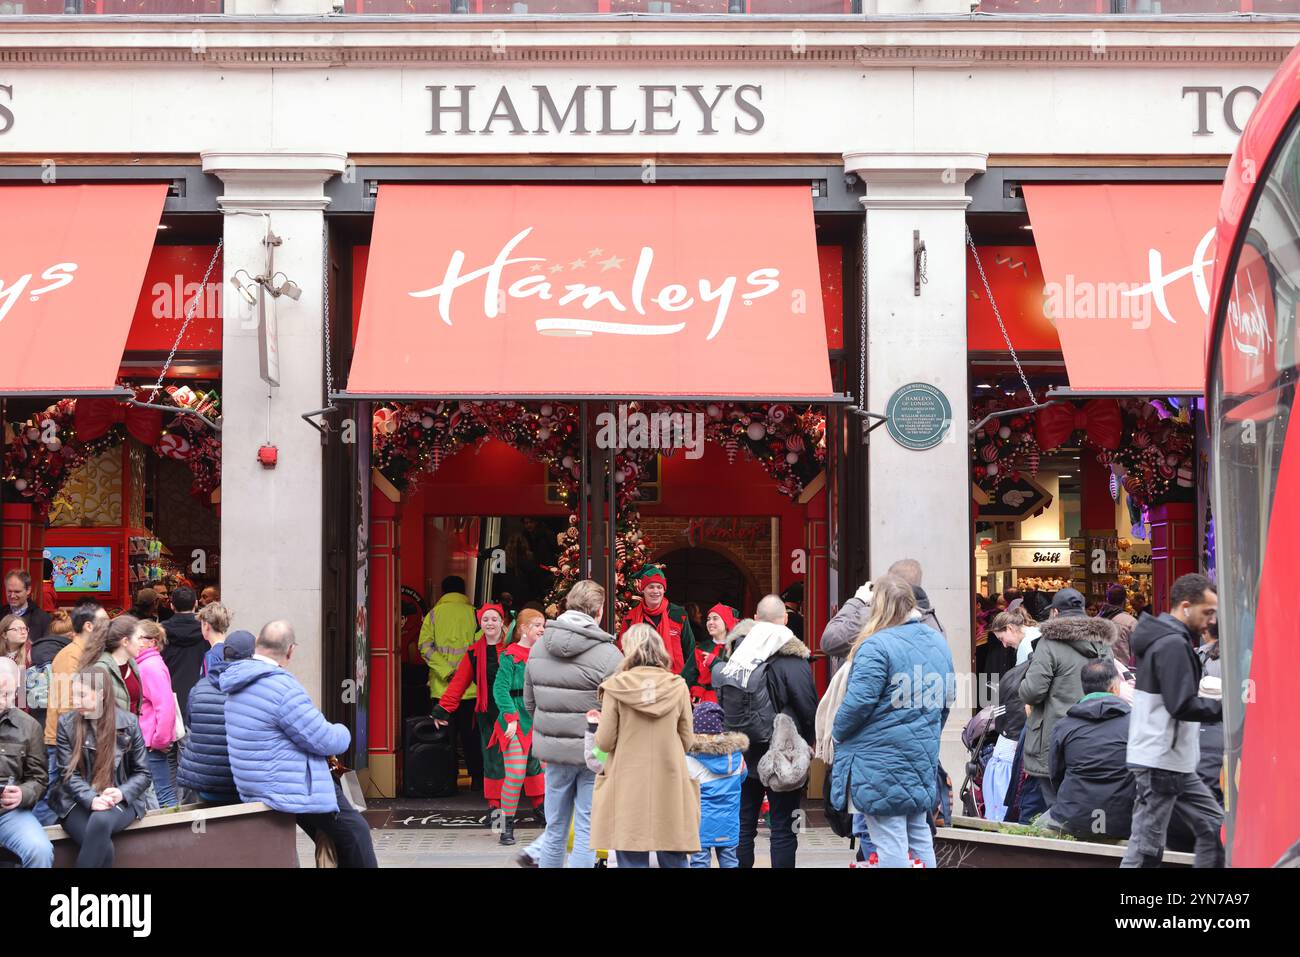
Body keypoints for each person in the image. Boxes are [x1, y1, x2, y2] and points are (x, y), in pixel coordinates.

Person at [221, 620, 377, 868]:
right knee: (356, 833)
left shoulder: (237, 683)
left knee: (334, 836)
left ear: (257, 645)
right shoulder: (280, 687)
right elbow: (323, 739)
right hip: (289, 786)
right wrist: (343, 731)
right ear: (291, 650)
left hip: (256, 782)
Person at [830, 576, 955, 868]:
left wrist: (837, 731)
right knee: (919, 832)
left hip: (878, 759)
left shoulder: (876, 645)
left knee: (889, 840)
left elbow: (858, 703)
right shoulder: (937, 641)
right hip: (920, 754)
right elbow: (947, 700)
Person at [1122, 573, 1224, 868]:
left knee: (1213, 828)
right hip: (1161, 760)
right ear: (1186, 606)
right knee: (1147, 846)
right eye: (1207, 612)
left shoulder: (1169, 640)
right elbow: (1181, 704)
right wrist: (1227, 708)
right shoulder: (1172, 644)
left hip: (1167, 760)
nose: (1210, 621)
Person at [522, 579, 623, 869]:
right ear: (599, 610)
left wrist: (550, 729)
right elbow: (616, 710)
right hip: (593, 751)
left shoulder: (539, 647)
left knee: (554, 827)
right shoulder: (608, 654)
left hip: (553, 753)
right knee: (586, 828)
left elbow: (530, 702)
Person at [718, 594, 817, 869]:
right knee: (784, 826)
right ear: (785, 620)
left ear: (756, 618)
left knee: (743, 824)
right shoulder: (793, 658)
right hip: (782, 751)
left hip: (742, 748)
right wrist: (810, 740)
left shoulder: (737, 653)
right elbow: (808, 705)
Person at [589, 624, 699, 868]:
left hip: (627, 781)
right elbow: (688, 741)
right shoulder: (678, 685)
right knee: (673, 852)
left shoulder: (615, 687)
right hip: (670, 779)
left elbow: (605, 741)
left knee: (631, 853)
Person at [431, 603, 533, 818]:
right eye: (485, 619)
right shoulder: (473, 653)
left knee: (530, 756)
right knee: (493, 760)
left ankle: (540, 803)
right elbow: (459, 682)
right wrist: (443, 709)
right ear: (480, 623)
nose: (490, 623)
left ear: (502, 622)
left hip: (517, 711)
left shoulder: (511, 650)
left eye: (494, 619)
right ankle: (496, 807)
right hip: (488, 712)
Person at [1018, 587, 1115, 809]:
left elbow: (1032, 691)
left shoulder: (1049, 643)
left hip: (1055, 737)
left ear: (1055, 613)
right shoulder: (1103, 644)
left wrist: (1021, 685)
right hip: (1095, 735)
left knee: (1057, 808)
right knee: (1084, 806)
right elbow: (1112, 686)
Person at [49, 671, 151, 868]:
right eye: (74, 695)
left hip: (120, 797)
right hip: (74, 800)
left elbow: (143, 774)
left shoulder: (128, 723)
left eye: (82, 695)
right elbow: (67, 774)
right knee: (105, 848)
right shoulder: (67, 724)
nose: (76, 701)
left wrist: (121, 792)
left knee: (101, 821)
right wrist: (91, 799)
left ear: (101, 694)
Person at [1037, 659, 1136, 840]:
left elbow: (1055, 774)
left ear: (1084, 688)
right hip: (1122, 819)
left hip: (1072, 816)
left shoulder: (1064, 725)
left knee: (1036, 829)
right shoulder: (1137, 723)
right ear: (1115, 688)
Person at [36, 601, 106, 826]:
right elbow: (68, 704)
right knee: (53, 796)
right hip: (63, 739)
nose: (109, 626)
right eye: (104, 622)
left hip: (72, 737)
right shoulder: (70, 656)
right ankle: (42, 845)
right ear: (88, 626)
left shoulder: (83, 653)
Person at [821, 558, 944, 674]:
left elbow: (829, 640)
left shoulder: (876, 617)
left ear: (893, 584)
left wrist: (857, 600)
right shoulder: (935, 625)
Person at [418, 576, 483, 790]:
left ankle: (445, 780)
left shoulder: (433, 615)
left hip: (441, 690)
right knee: (472, 739)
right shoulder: (474, 614)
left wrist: (446, 671)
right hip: (471, 689)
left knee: (443, 739)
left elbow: (425, 647)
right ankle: (477, 781)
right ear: (464, 592)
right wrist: (464, 673)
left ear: (443, 592)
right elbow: (480, 648)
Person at [178, 630, 255, 805]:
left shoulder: (198, 688)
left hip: (205, 783)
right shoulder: (258, 688)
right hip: (243, 783)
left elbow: (191, 723)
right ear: (252, 655)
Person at [491, 607, 547, 845]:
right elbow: (500, 689)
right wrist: (510, 717)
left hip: (542, 720)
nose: (542, 629)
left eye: (543, 625)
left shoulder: (546, 655)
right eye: (537, 625)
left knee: (548, 775)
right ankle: (505, 826)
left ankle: (552, 820)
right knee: (514, 774)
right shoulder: (509, 655)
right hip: (515, 721)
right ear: (523, 629)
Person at [0, 657, 53, 868]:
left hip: (8, 813)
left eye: (6, 694)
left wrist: (23, 793)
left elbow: (39, 778)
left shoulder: (29, 726)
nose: (1, 699)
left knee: (40, 850)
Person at [684, 701, 747, 868]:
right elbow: (743, 777)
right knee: (730, 862)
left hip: (700, 824)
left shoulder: (689, 759)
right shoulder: (738, 757)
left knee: (699, 862)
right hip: (730, 823)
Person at [620, 565, 696, 686]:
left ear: (664, 590)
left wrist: (688, 682)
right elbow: (623, 651)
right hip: (640, 683)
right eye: (651, 587)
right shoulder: (631, 617)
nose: (655, 591)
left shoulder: (679, 615)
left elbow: (690, 651)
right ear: (643, 589)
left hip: (673, 682)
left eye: (659, 587)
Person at [134, 620, 179, 808]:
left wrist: (159, 741)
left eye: (139, 638)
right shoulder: (146, 664)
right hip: (147, 741)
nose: (133, 641)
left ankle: (176, 831)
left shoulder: (150, 666)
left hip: (150, 742)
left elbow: (165, 706)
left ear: (152, 642)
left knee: (163, 792)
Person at [81, 614, 143, 715]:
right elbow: (89, 716)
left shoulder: (132, 664)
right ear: (125, 641)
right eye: (139, 638)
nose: (142, 643)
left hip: (130, 728)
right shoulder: (98, 670)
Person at [162, 586, 206, 725]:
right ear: (196, 604)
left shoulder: (160, 631)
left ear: (171, 606)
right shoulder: (206, 630)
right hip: (200, 695)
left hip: (168, 695)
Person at [690, 603, 738, 704]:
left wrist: (715, 662)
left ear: (726, 623)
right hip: (704, 704)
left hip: (731, 703)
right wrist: (696, 690)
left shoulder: (737, 648)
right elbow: (688, 677)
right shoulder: (701, 649)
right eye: (708, 619)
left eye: (715, 618)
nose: (710, 622)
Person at [1095, 583, 1138, 666]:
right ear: (1124, 601)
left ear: (1107, 599)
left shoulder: (1095, 621)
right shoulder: (1130, 622)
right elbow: (1137, 653)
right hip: (1122, 674)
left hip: (1099, 672)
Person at [5, 569, 51, 644]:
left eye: (17, 592)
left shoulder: (43, 619)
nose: (12, 596)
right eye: (9, 591)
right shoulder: (2, 614)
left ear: (28, 590)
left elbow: (46, 649)